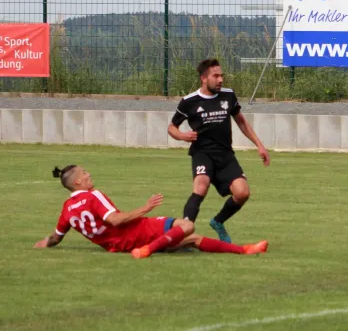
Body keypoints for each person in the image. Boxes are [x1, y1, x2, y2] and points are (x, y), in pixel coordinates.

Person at [34, 165, 269, 258]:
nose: (88, 175)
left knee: (193, 239)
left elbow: (56, 237)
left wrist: (44, 243)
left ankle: (244, 250)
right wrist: (144, 208)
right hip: (135, 234)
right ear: (76, 183)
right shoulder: (92, 195)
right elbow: (115, 220)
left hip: (116, 245)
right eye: (84, 173)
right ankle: (148, 250)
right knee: (187, 226)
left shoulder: (67, 209)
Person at [167, 58, 270, 243]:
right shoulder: (190, 101)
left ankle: (218, 221)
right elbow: (171, 127)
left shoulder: (228, 96)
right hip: (202, 154)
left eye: (222, 75)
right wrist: (183, 136)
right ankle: (183, 233)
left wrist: (259, 145)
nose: (221, 79)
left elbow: (241, 121)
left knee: (242, 193)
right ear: (204, 78)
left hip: (225, 155)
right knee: (201, 186)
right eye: (216, 76)